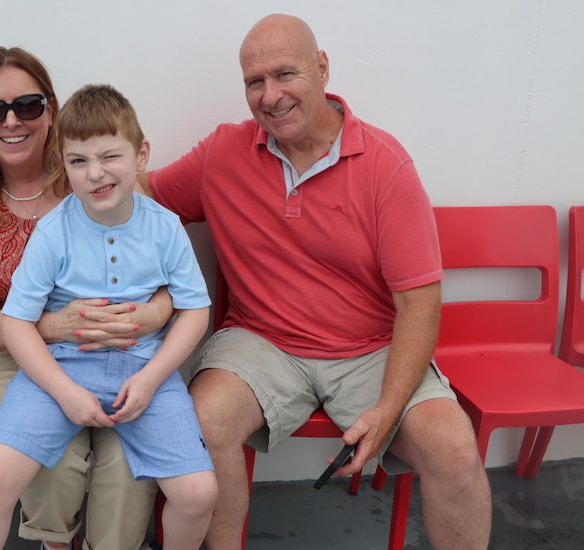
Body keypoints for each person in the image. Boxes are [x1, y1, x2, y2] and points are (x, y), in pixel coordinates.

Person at [137, 14, 492, 550]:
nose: (270, 95)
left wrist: (389, 409)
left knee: (456, 452)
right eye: (254, 82)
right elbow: (137, 195)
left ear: (322, 68)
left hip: (370, 349)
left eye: (285, 74)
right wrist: (28, 204)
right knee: (203, 423)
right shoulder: (222, 154)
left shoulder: (384, 164)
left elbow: (418, 302)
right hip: (261, 342)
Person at [0, 83, 218, 550]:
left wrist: (154, 378)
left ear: (141, 156)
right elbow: (16, 323)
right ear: (64, 165)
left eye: (109, 156)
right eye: (78, 161)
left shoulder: (165, 226)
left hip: (143, 367)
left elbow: (195, 309)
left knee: (199, 493)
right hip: (61, 364)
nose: (95, 174)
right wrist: (66, 392)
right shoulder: (53, 231)